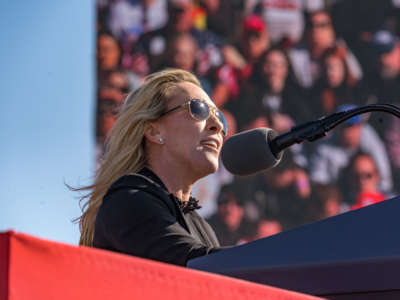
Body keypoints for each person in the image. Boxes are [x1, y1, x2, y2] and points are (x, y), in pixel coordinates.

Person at [75, 69, 229, 266]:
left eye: (219, 116)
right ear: (153, 131)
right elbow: (195, 266)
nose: (217, 125)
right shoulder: (128, 201)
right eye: (199, 109)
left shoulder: (202, 227)